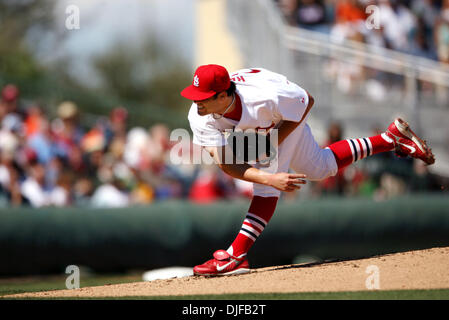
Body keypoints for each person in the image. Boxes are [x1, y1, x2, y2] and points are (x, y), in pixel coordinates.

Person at [180, 64, 435, 276]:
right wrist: (270, 175)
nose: (196, 101)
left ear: (223, 96)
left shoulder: (266, 97)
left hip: (283, 116)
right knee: (320, 168)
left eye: (202, 97)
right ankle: (390, 139)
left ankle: (236, 255)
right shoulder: (199, 115)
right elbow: (226, 163)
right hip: (261, 125)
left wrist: (271, 145)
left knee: (264, 185)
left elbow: (306, 101)